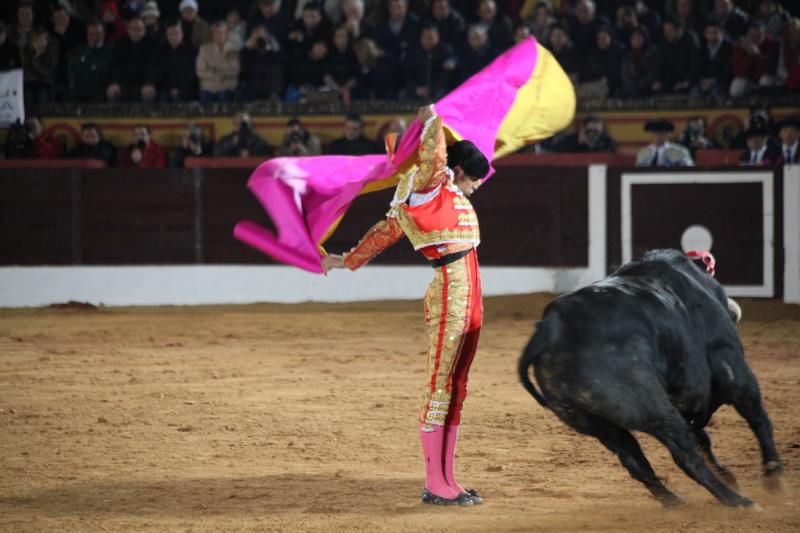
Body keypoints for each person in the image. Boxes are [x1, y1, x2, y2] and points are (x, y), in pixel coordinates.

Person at [322, 105, 489, 507]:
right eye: (474, 181)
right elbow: (431, 158)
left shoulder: (444, 192)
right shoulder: (427, 184)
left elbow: (385, 232)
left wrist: (345, 260)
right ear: (458, 171)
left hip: (471, 291)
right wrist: (430, 120)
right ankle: (435, 483)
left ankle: (450, 479)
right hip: (450, 290)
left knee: (457, 387)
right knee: (440, 386)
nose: (476, 188)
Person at [106, 17, 157, 102]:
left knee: (149, 93)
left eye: (139, 30)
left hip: (144, 84)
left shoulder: (152, 45)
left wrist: (149, 83)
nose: (136, 33)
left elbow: (153, 67)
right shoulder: (120, 44)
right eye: (133, 29)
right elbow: (115, 65)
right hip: (123, 84)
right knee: (112, 92)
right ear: (128, 30)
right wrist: (114, 82)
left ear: (144, 31)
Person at [66, 20, 113, 102]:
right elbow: (74, 71)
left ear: (103, 34)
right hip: (82, 92)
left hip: (104, 91)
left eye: (98, 34)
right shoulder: (78, 51)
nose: (94, 38)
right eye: (91, 34)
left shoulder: (111, 51)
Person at [730, 21, 780, 97]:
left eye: (759, 36)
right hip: (750, 80)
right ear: (746, 36)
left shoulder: (773, 45)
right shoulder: (740, 46)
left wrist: (757, 54)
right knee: (737, 85)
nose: (755, 39)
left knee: (765, 79)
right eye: (752, 36)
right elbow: (738, 72)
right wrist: (750, 56)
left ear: (765, 35)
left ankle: (765, 104)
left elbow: (770, 69)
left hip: (769, 81)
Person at [153, 20, 198, 102]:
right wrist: (170, 89)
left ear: (182, 34)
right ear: (166, 35)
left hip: (186, 89)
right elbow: (159, 73)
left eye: (176, 33)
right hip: (166, 89)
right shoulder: (161, 52)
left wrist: (180, 89)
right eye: (170, 34)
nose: (173, 37)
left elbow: (191, 74)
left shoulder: (190, 51)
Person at [196, 21, 240, 103]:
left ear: (226, 34)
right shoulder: (204, 49)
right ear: (212, 35)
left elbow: (235, 71)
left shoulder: (233, 50)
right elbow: (201, 71)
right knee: (205, 99)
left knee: (224, 97)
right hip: (209, 87)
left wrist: (215, 70)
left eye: (221, 33)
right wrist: (219, 75)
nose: (219, 36)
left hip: (227, 87)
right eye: (216, 33)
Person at [691, 17, 733, 97]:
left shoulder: (729, 47)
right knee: (694, 93)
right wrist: (702, 80)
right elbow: (698, 68)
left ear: (722, 33)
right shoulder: (702, 49)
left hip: (721, 82)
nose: (712, 36)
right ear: (705, 34)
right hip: (704, 82)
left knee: (714, 94)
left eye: (715, 33)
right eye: (709, 33)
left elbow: (728, 70)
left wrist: (713, 81)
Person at [21, 28, 60, 105]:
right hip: (30, 84)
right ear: (32, 43)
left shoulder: (51, 52)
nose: (41, 44)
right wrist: (35, 56)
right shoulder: (26, 53)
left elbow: (49, 72)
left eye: (43, 40)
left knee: (42, 95)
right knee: (28, 95)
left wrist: (36, 59)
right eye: (38, 41)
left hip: (45, 84)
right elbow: (26, 71)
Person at [548, 115, 617, 153]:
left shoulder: (607, 142)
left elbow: (609, 155)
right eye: (590, 131)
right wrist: (578, 142)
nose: (593, 134)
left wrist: (592, 146)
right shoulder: (573, 139)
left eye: (596, 131)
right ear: (583, 130)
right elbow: (556, 151)